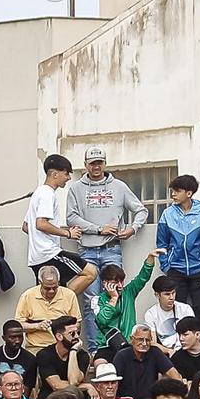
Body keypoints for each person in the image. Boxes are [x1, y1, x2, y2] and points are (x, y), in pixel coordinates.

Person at [68, 147, 149, 344]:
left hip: (112, 249)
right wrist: (98, 229)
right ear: (85, 164)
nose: (96, 166)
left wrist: (132, 229)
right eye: (92, 163)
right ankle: (96, 348)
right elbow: (71, 217)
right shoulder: (75, 188)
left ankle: (119, 344)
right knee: (91, 302)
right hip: (86, 250)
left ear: (105, 163)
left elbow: (141, 211)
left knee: (118, 297)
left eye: (100, 162)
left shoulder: (119, 186)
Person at [22, 153, 101, 314]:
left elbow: (26, 226)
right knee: (91, 272)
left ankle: (54, 309)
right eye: (66, 173)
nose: (68, 178)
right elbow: (41, 223)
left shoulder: (38, 193)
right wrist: (67, 234)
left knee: (56, 287)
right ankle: (62, 305)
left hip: (37, 257)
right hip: (49, 254)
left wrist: (40, 239)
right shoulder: (47, 194)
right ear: (55, 174)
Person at [153, 173, 200, 318]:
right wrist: (166, 266)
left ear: (189, 193)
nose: (173, 194)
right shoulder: (167, 214)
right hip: (175, 270)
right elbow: (162, 243)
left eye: (177, 191)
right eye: (172, 190)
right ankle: (178, 341)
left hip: (199, 269)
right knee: (178, 310)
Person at [17, 263, 83, 353]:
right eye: (47, 288)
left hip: (64, 346)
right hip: (37, 347)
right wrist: (37, 326)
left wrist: (63, 329)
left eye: (55, 287)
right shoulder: (27, 296)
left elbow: (77, 324)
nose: (51, 291)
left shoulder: (69, 294)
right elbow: (18, 326)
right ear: (40, 283)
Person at [28, 315, 91, 399]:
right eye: (72, 333)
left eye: (78, 332)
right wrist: (86, 386)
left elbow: (74, 381)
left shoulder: (82, 355)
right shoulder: (44, 355)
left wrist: (73, 351)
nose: (77, 336)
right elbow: (56, 385)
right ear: (59, 336)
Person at [112, 322, 173, 399]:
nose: (144, 343)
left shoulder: (155, 352)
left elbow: (174, 375)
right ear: (131, 339)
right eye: (140, 339)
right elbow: (113, 383)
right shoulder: (121, 356)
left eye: (147, 340)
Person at [0, 320, 35, 393]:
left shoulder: (30, 359)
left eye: (20, 337)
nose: (17, 341)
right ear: (3, 338)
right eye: (13, 337)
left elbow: (26, 392)